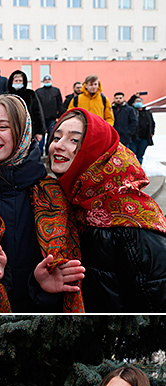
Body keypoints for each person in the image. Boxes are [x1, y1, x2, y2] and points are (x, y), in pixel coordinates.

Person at [0, 92, 82, 311]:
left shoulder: (51, 195)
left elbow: (64, 278)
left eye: (3, 127)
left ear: (23, 132)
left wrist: (40, 286)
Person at [45, 109, 166, 308]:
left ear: (96, 151)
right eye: (56, 137)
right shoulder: (71, 204)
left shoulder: (131, 222)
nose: (58, 145)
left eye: (74, 140)